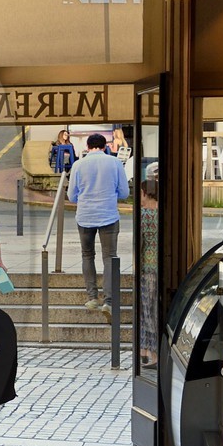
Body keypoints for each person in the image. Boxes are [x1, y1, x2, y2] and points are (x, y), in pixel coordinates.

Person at [67, 132, 130, 312]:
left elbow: (72, 196)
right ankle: (108, 302)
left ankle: (92, 298)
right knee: (109, 257)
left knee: (87, 255)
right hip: (109, 215)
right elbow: (125, 193)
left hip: (85, 216)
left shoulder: (78, 165)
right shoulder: (115, 163)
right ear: (105, 147)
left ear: (87, 147)